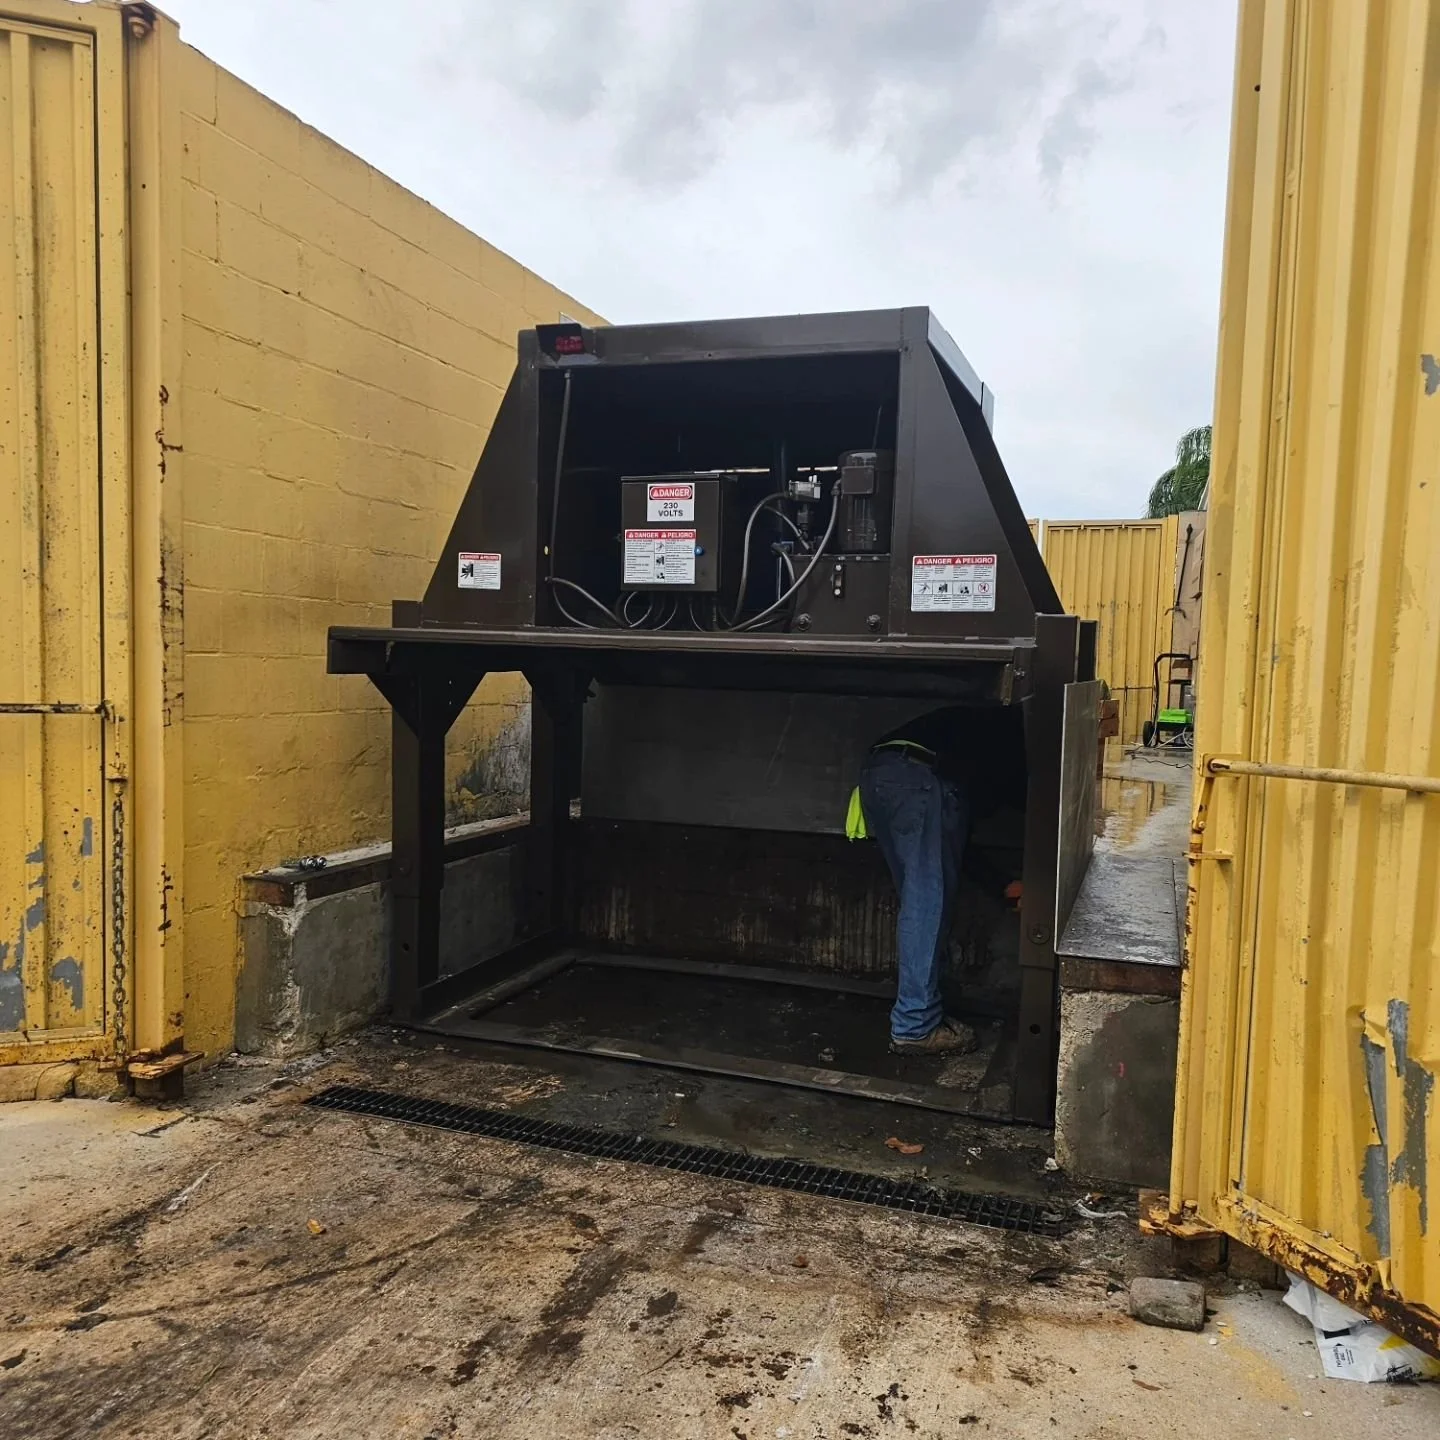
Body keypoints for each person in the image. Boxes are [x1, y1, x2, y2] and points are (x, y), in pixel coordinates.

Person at [856, 705, 1023, 1054]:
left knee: (920, 897)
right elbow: (1021, 803)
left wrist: (1002, 885)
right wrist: (1014, 883)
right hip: (918, 775)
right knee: (927, 902)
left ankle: (928, 999)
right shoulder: (1020, 744)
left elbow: (955, 841)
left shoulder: (984, 735)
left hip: (879, 773)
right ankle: (915, 1024)